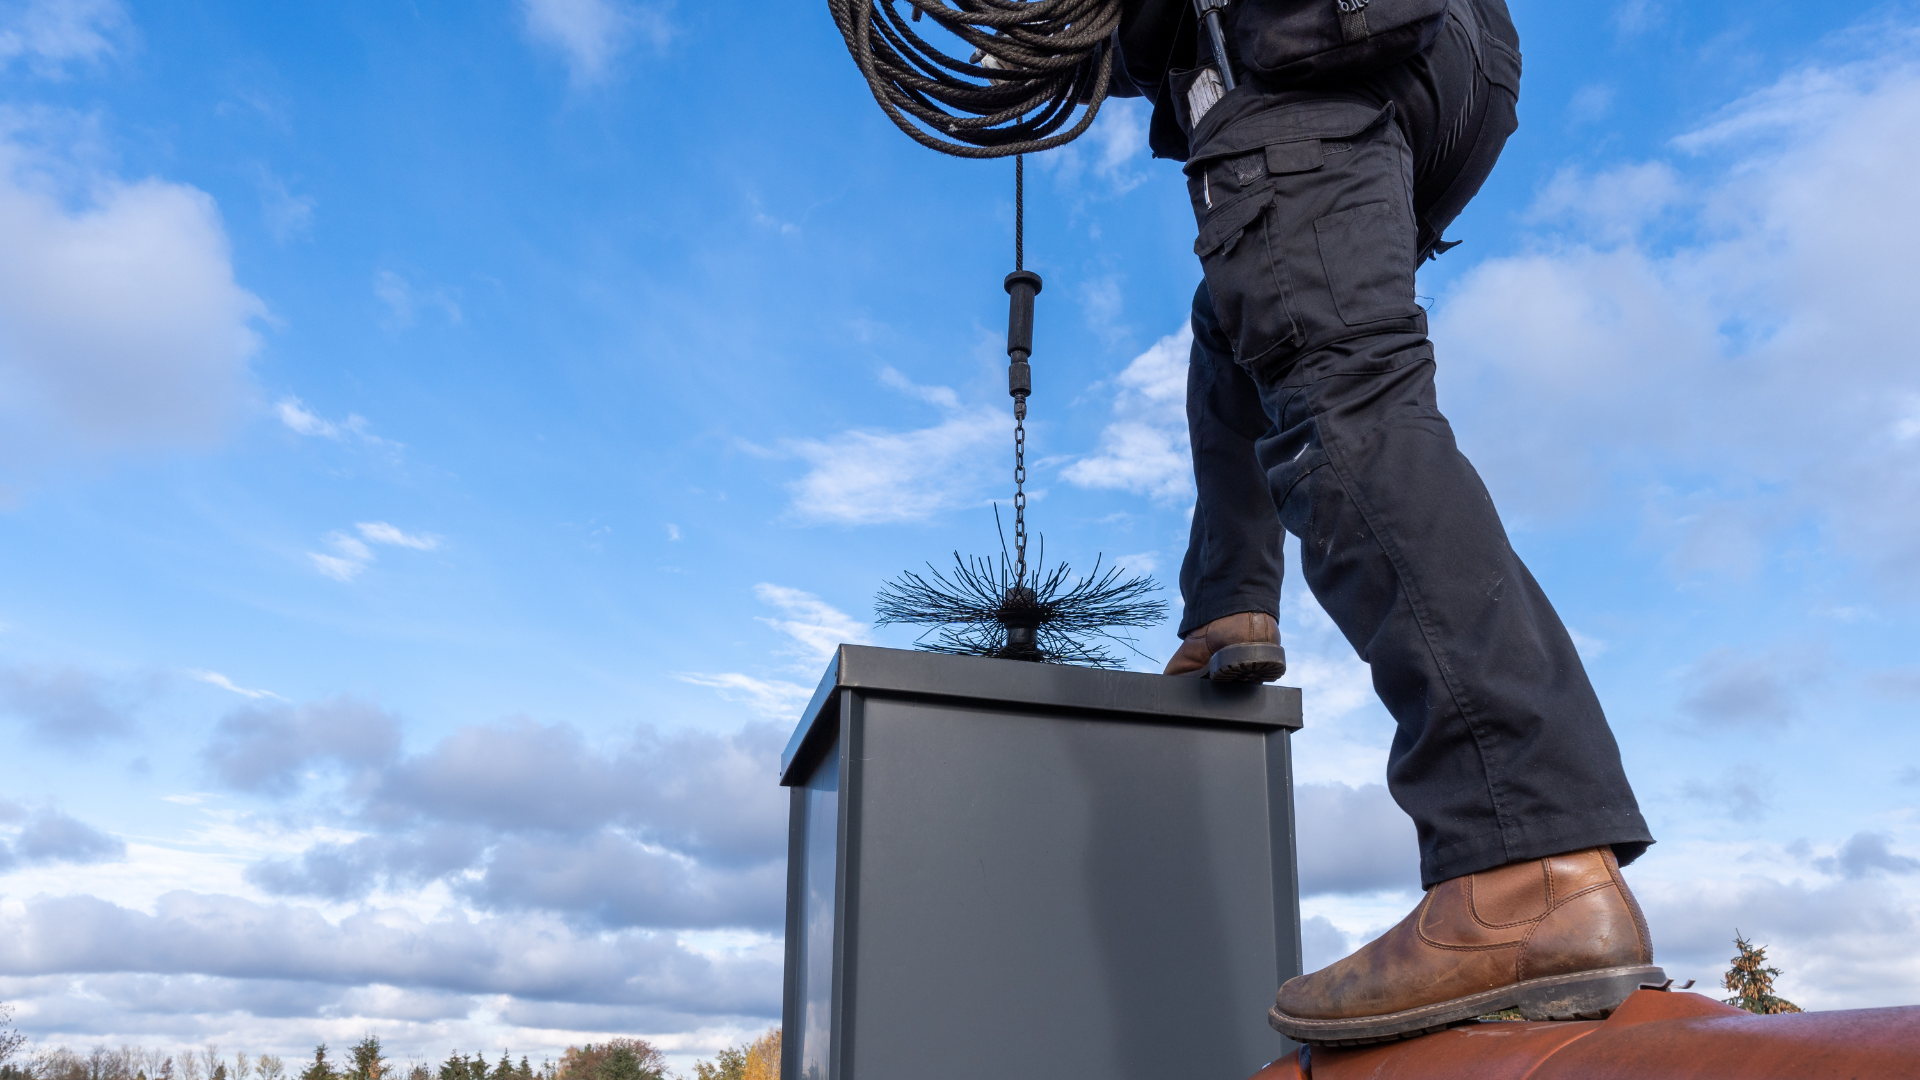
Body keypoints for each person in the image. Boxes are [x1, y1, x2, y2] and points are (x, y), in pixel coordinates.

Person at [1112, 0, 1663, 1045]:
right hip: (1448, 55)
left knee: (1341, 395)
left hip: (1293, 41)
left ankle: (1528, 864)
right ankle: (1231, 600)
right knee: (1241, 309)